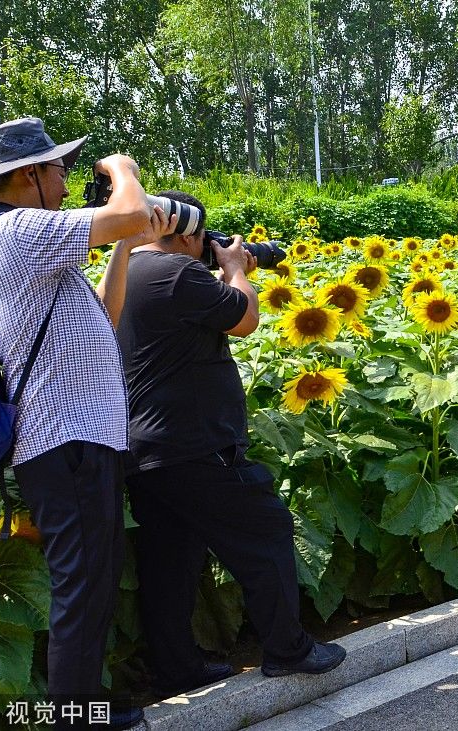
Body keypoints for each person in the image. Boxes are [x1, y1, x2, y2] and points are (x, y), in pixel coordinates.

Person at [116, 190, 346, 697]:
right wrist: (236, 267)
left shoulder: (127, 274)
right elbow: (244, 318)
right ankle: (289, 650)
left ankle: (178, 669)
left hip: (146, 449)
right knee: (265, 530)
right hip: (196, 445)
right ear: (187, 231)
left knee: (170, 562)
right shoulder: (178, 274)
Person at [0, 117, 168, 729]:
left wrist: (121, 242)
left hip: (78, 438)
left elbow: (108, 312)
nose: (67, 184)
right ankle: (72, 720)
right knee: (80, 583)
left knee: (92, 578)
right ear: (30, 175)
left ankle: (85, 708)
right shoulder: (15, 230)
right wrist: (123, 168)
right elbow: (132, 212)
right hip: (63, 438)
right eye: (61, 171)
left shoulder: (34, 244)